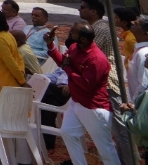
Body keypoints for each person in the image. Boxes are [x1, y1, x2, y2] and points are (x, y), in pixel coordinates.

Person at [50, 21, 121, 165]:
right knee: (68, 133)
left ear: (83, 39)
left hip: (94, 108)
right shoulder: (75, 47)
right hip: (77, 102)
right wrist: (51, 46)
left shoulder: (97, 59)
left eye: (72, 33)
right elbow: (63, 62)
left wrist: (68, 68)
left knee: (105, 150)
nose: (69, 35)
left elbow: (85, 85)